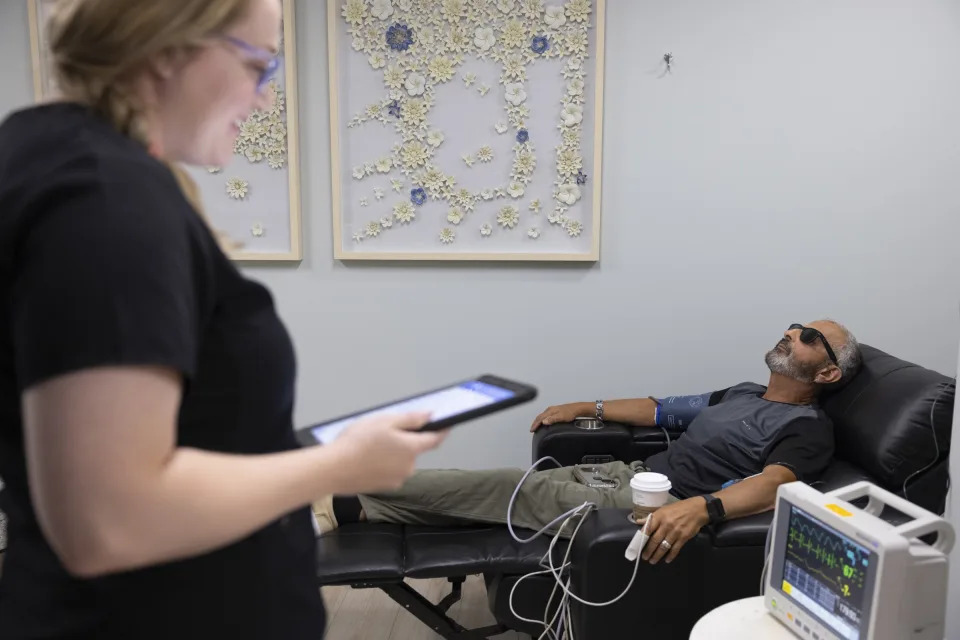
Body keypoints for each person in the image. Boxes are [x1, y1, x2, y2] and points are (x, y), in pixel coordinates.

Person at [0, 1, 447, 638]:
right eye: (258, 66)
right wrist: (338, 467)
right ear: (166, 52)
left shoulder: (49, 152)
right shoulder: (104, 201)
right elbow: (110, 519)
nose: (264, 99)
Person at [315, 320, 862, 566]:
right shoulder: (742, 394)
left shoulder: (808, 428)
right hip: (624, 477)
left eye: (811, 338)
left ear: (829, 374)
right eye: (795, 326)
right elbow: (659, 408)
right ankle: (349, 507)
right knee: (501, 494)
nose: (793, 334)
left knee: (501, 487)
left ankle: (334, 496)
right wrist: (584, 407)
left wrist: (704, 506)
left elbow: (774, 487)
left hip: (652, 509)